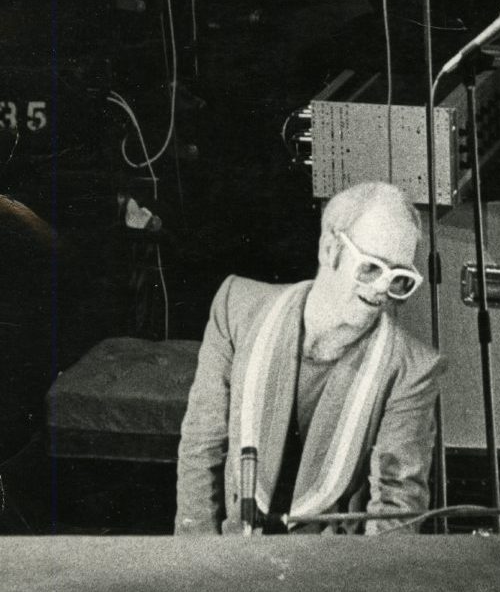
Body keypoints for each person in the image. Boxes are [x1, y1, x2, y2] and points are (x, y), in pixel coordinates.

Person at [175, 182, 442, 535]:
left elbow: (395, 512)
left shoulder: (412, 369)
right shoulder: (236, 309)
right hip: (232, 563)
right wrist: (198, 571)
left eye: (399, 279)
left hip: (334, 576)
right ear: (330, 249)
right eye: (371, 268)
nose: (382, 289)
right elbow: (201, 450)